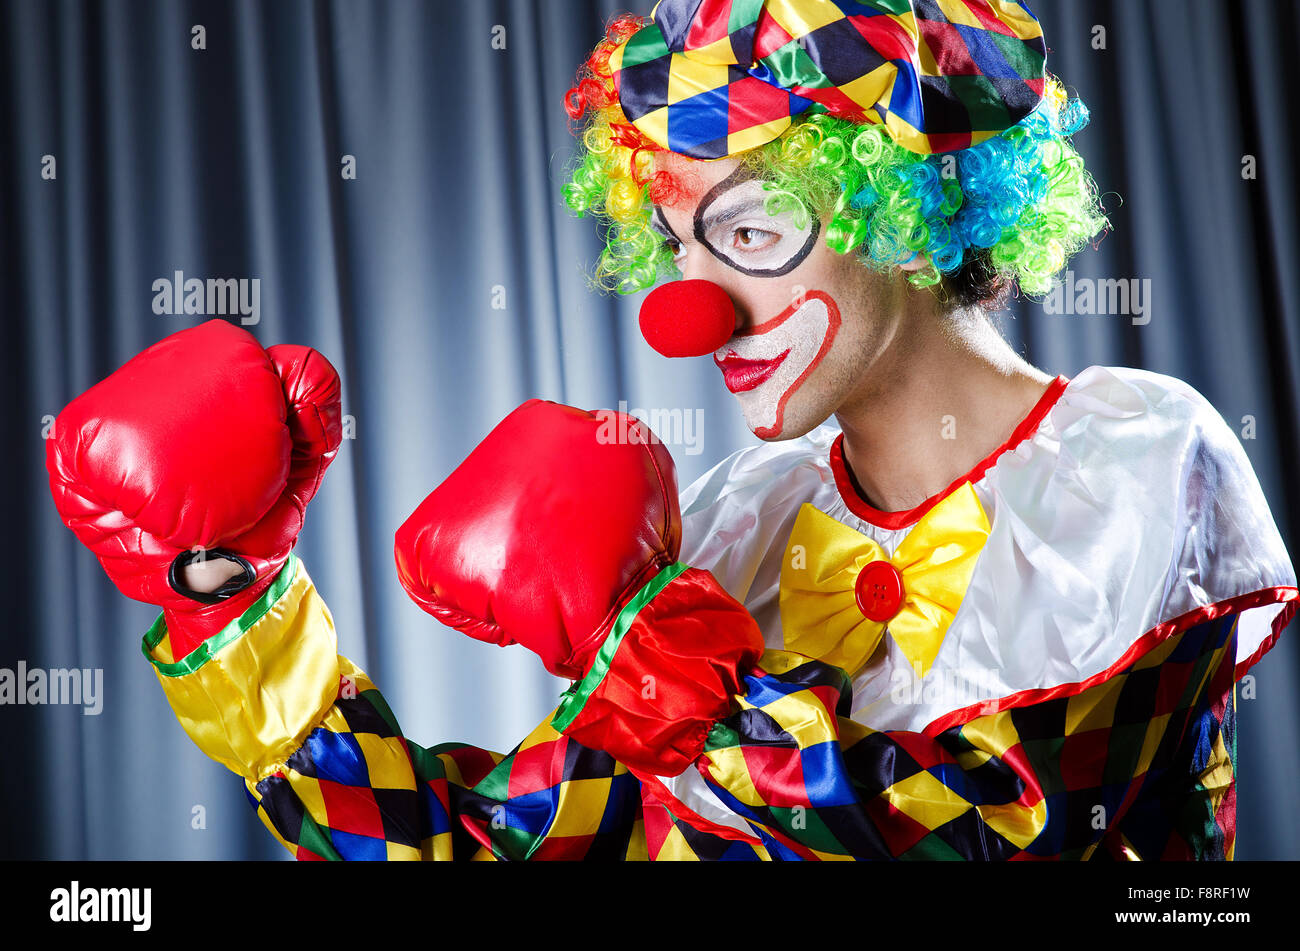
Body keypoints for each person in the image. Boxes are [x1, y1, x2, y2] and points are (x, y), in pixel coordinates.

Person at [45, 0, 1296, 861]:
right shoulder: (743, 525)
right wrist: (231, 596)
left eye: (751, 233)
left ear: (913, 210)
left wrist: (669, 672)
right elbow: (470, 846)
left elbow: (995, 829)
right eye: (675, 240)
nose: (688, 311)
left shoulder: (1130, 467)